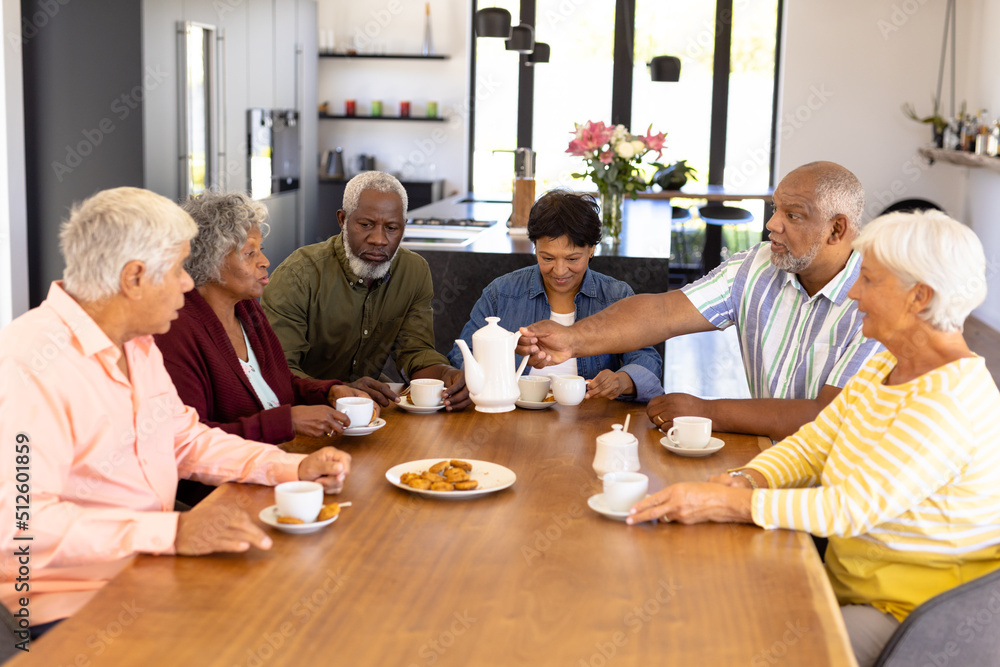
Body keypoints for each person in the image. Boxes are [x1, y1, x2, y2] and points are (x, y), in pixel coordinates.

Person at [627, 210, 1000, 667]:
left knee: (744, 645)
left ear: (918, 297)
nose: (855, 293)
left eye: (870, 281)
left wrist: (727, 504)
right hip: (851, 583)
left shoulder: (948, 400)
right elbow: (814, 442)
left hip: (909, 616)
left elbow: (850, 507)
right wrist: (748, 480)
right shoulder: (887, 366)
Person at [0, 188, 352, 632]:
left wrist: (290, 468)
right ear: (134, 278)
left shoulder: (137, 341)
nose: (189, 283)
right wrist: (173, 533)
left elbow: (184, 438)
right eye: (178, 270)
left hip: (150, 564)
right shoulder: (31, 361)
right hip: (73, 604)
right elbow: (21, 529)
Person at [520, 161, 883, 440]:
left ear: (836, 229)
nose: (772, 224)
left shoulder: (879, 300)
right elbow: (663, 312)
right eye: (775, 209)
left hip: (847, 488)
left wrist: (707, 411)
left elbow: (828, 417)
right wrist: (572, 339)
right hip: (776, 461)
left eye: (793, 215)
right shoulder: (756, 266)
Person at [155, 191, 371, 445]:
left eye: (261, 250)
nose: (265, 261)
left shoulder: (247, 309)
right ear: (208, 261)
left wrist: (329, 392)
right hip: (225, 481)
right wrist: (286, 422)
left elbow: (279, 385)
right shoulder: (175, 332)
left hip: (274, 460)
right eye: (249, 253)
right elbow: (189, 440)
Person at [262, 171, 470, 410]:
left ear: (404, 227)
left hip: (368, 406)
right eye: (366, 225)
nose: (379, 240)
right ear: (342, 220)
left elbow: (415, 352)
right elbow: (277, 372)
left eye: (391, 228)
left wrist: (448, 376)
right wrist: (336, 390)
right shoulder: (299, 275)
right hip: (305, 408)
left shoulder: (413, 271)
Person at [447, 190, 662, 402]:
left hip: (592, 423)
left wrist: (621, 381)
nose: (559, 271)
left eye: (572, 259)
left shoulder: (616, 297)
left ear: (592, 250)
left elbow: (646, 359)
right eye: (547, 258)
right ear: (535, 248)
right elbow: (461, 355)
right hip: (513, 419)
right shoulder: (502, 293)